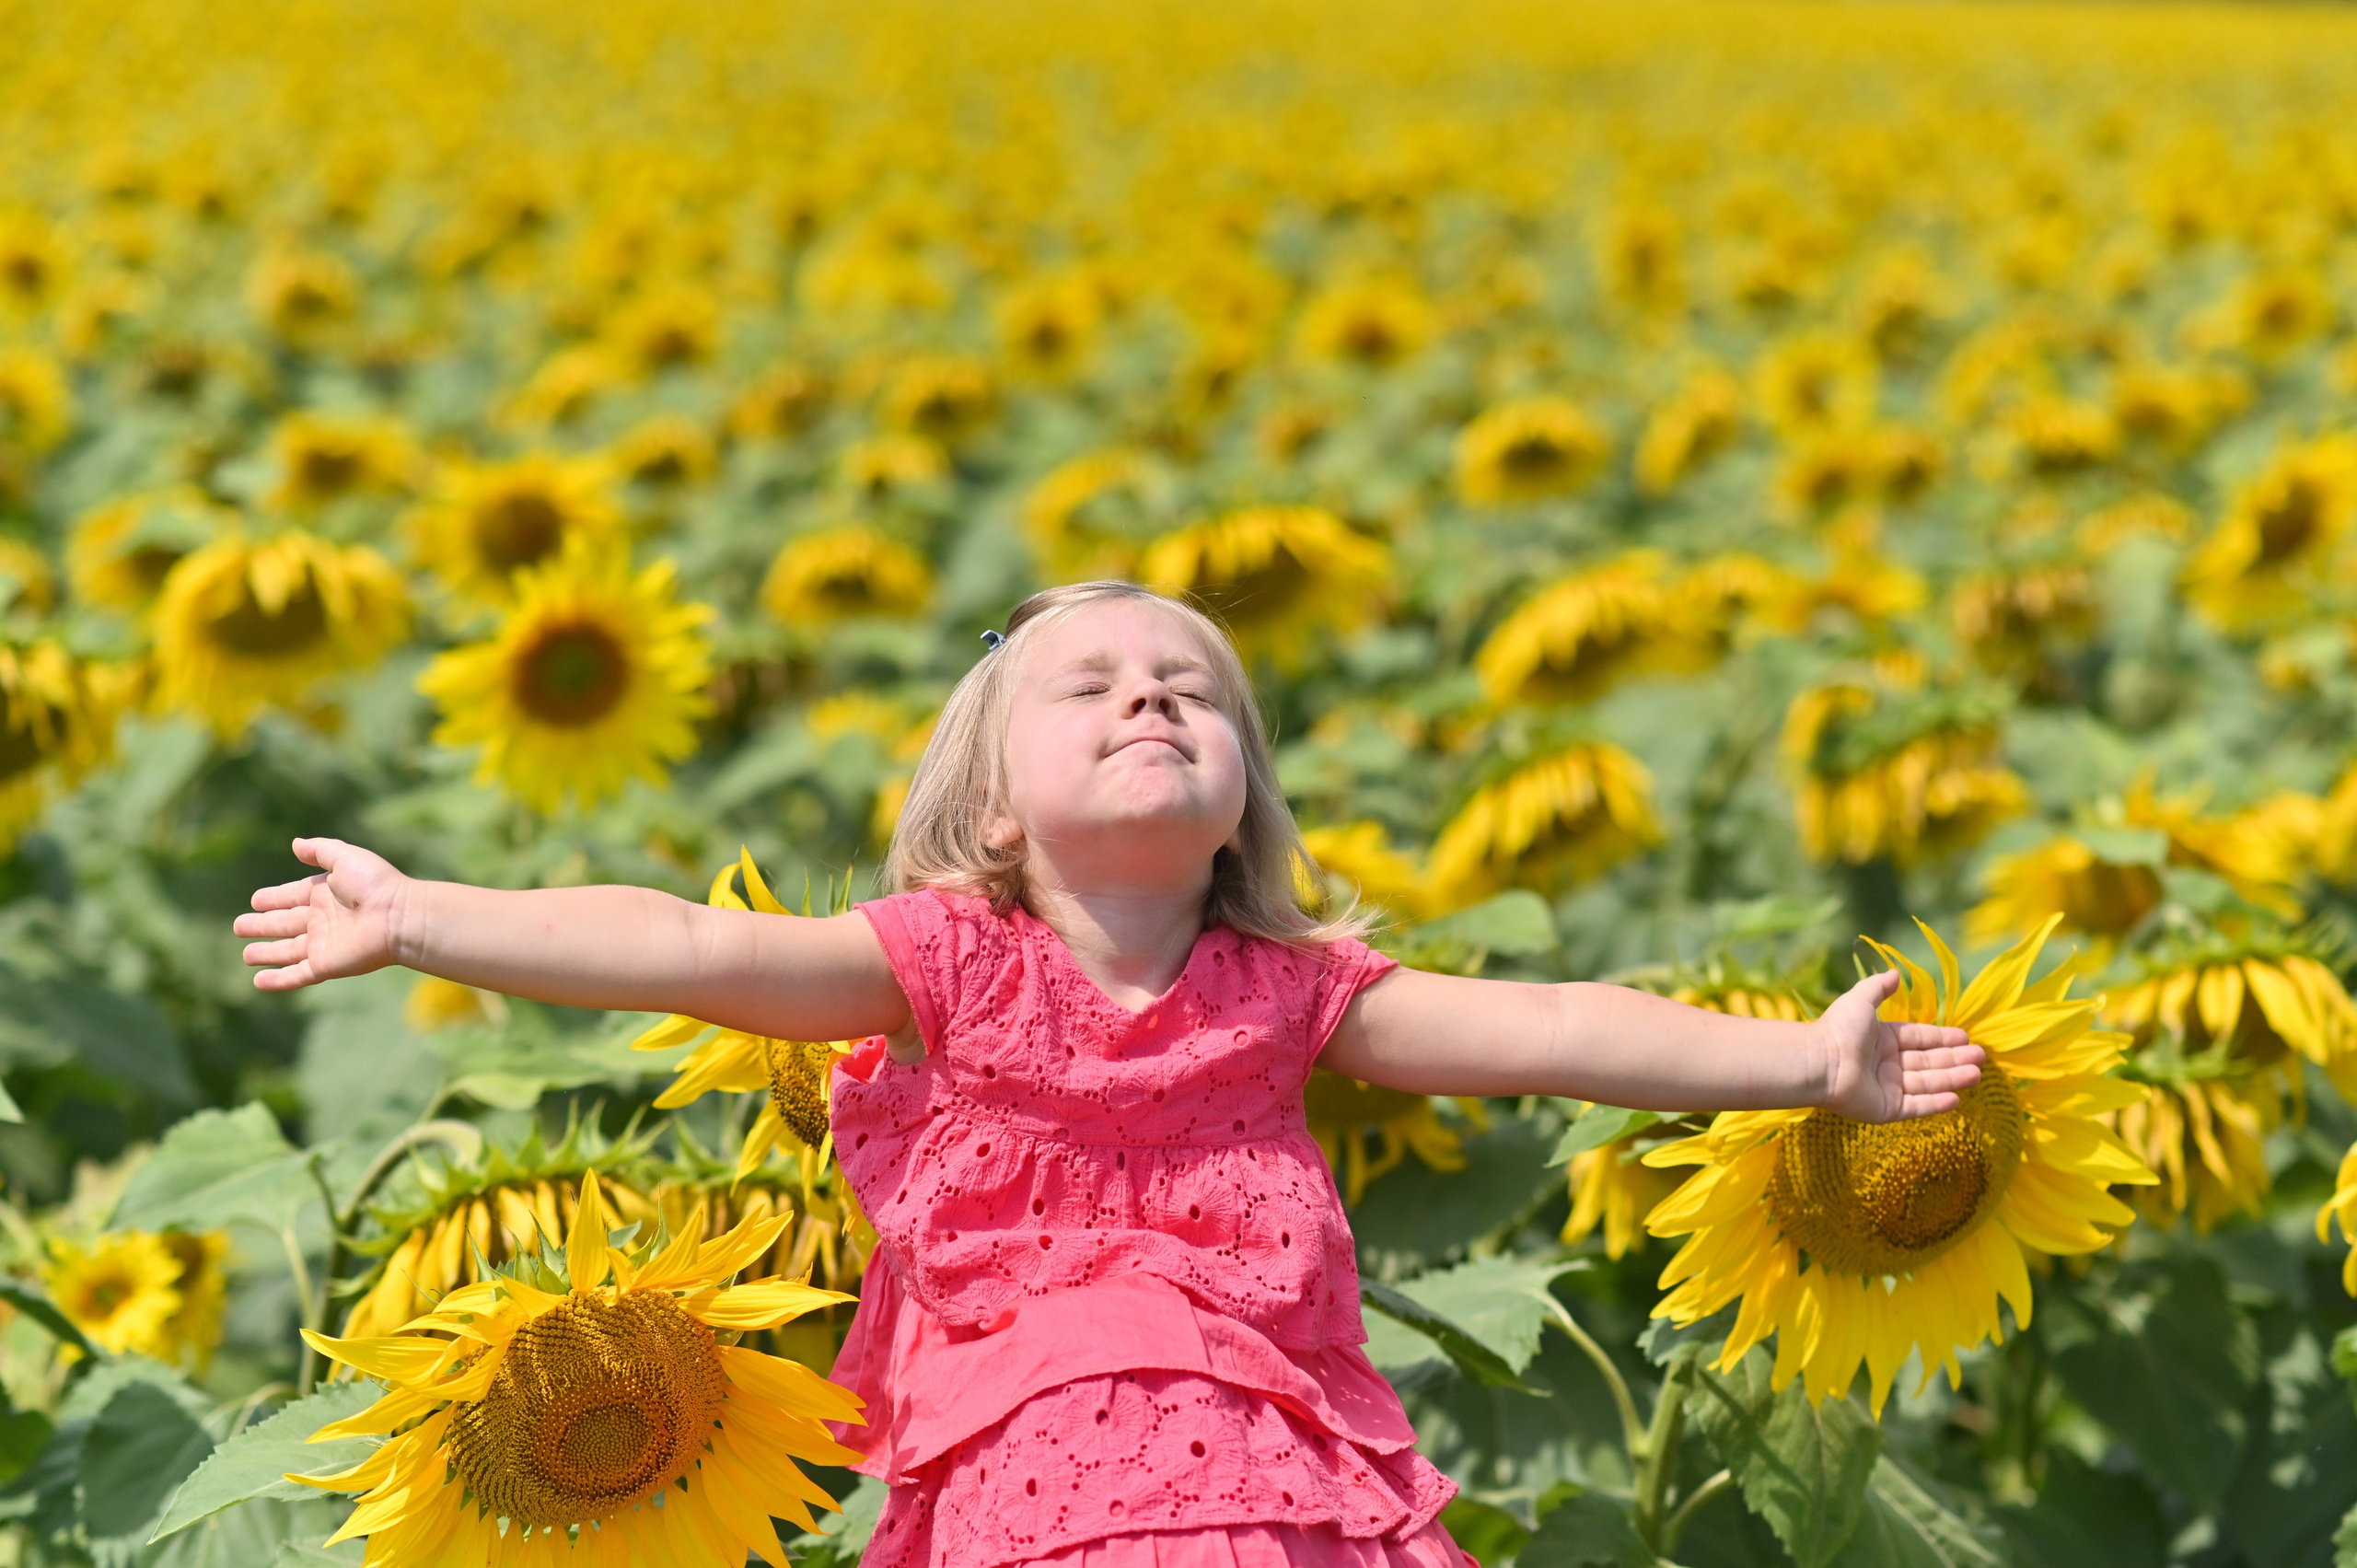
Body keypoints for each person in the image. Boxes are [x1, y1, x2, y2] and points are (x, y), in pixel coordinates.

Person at [236, 579, 1983, 1568]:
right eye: (1093, 689)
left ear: (1244, 804)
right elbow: (691, 947)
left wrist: (1800, 1062)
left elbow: (1555, 1032)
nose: (1152, 702)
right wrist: (424, 920)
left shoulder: (1291, 994)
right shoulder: (942, 962)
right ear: (995, 809)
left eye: (1192, 694)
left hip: (1273, 1466)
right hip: (1042, 1461)